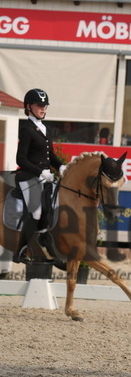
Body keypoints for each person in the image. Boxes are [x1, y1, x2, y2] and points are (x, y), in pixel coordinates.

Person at [14, 88, 66, 264]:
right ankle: (20, 251)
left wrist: (61, 166)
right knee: (36, 212)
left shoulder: (46, 129)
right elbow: (20, 158)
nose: (43, 109)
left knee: (50, 209)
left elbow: (51, 156)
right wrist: (39, 172)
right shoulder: (26, 129)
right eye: (39, 105)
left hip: (45, 177)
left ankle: (45, 242)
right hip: (28, 176)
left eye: (45, 106)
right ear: (29, 107)